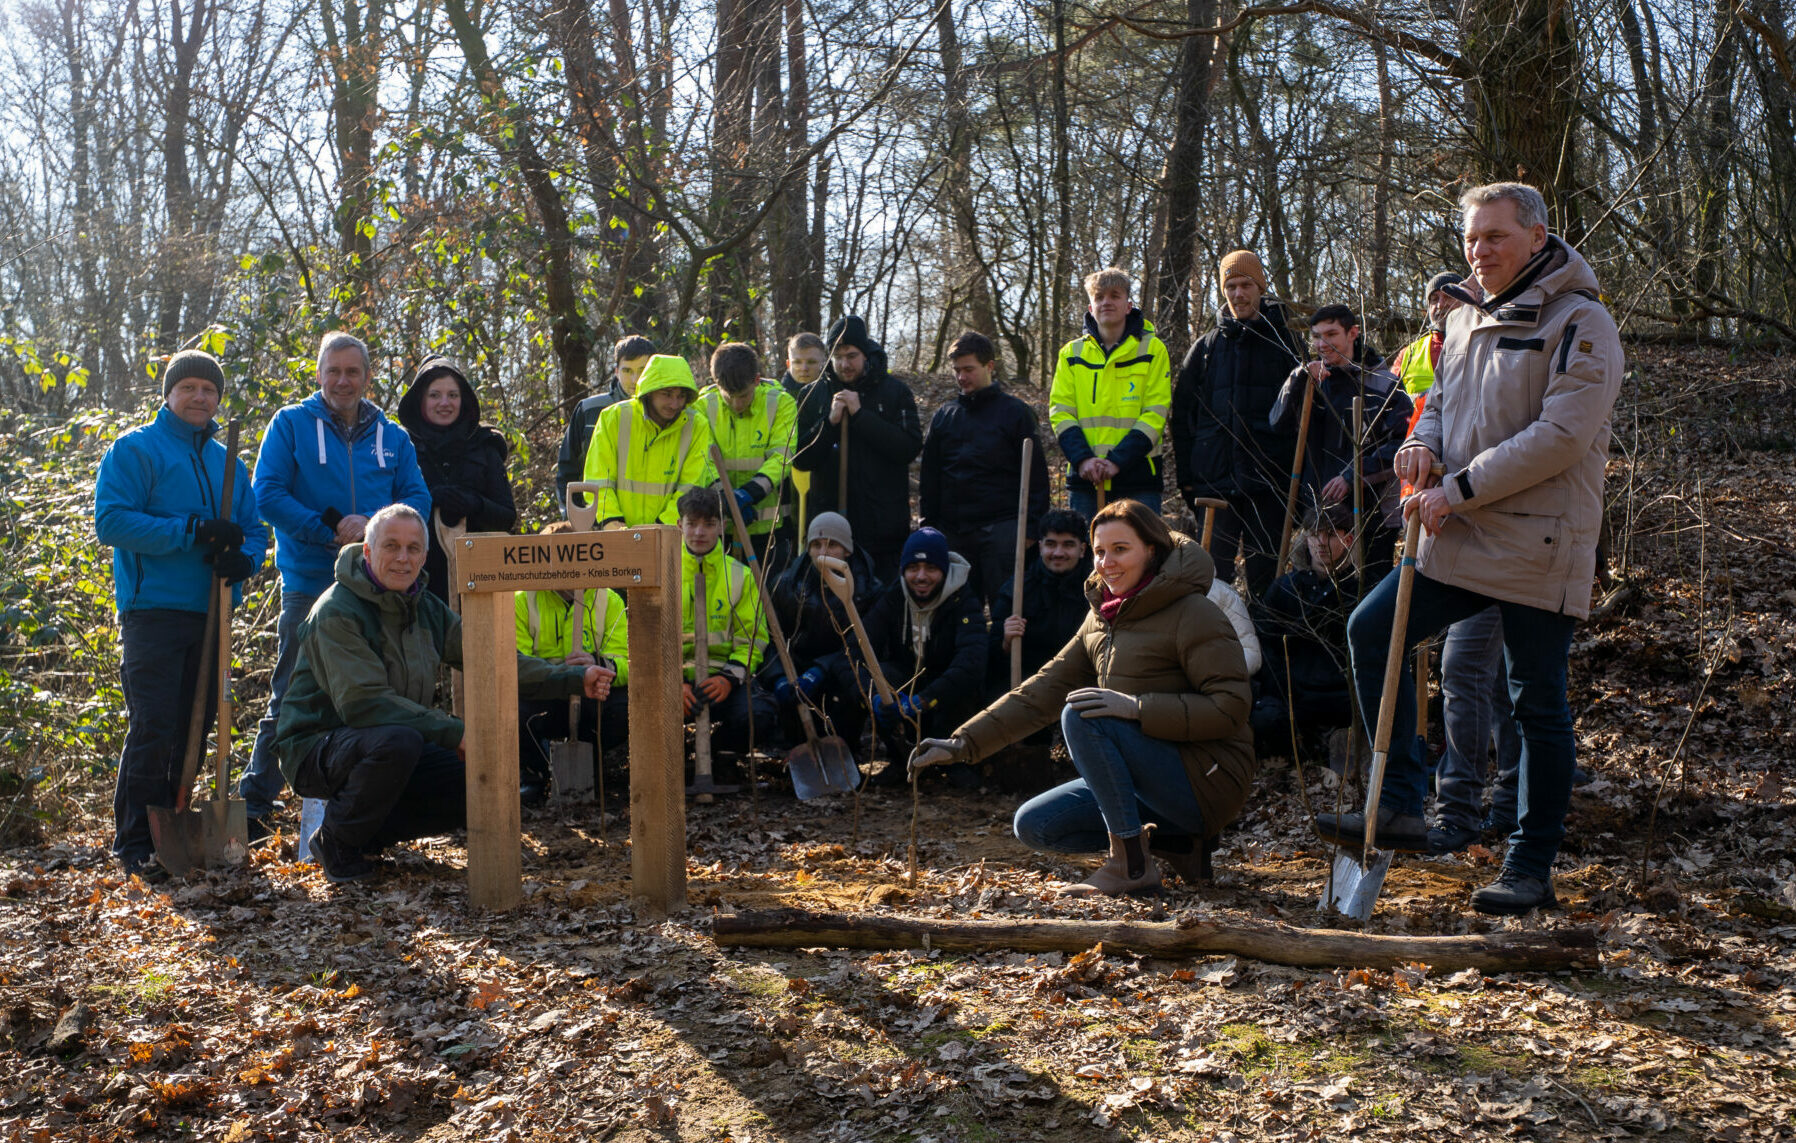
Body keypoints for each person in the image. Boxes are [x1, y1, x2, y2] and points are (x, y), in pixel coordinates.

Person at [1317, 181, 1625, 915]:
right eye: (1471, 238)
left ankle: (1529, 863)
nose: (1480, 251)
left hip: (1539, 537)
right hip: (1461, 529)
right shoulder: (1461, 320)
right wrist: (1419, 450)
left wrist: (1454, 489)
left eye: (1495, 237)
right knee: (1371, 632)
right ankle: (1395, 803)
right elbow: (1440, 408)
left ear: (1538, 236)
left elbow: (1559, 439)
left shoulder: (1583, 323)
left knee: (1534, 700)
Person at [912, 501, 1254, 894]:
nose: (1106, 562)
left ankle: (1130, 865)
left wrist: (1137, 709)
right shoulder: (1103, 615)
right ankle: (1177, 843)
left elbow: (1230, 708)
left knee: (1082, 712)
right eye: (1099, 551)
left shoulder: (1194, 612)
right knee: (1034, 824)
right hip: (1147, 774)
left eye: (1121, 549)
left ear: (1152, 551)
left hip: (1207, 779)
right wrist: (963, 743)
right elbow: (1044, 689)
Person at [274, 505, 612, 881]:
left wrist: (572, 678)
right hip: (316, 747)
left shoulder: (425, 607)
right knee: (397, 741)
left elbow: (490, 657)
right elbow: (363, 703)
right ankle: (337, 841)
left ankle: (367, 836)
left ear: (424, 555)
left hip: (391, 740)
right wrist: (454, 731)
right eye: (391, 546)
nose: (403, 558)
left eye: (413, 548)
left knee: (480, 777)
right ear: (367, 552)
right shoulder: (336, 611)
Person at [243, 331, 431, 835]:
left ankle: (374, 808)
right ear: (320, 374)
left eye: (353, 372)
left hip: (379, 587)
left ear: (368, 378)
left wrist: (377, 533)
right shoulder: (290, 425)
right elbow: (267, 493)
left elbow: (416, 498)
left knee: (381, 691)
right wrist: (329, 527)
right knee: (291, 691)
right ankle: (253, 806)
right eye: (334, 371)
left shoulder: (393, 437)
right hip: (309, 580)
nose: (343, 380)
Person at [95, 350, 268, 878]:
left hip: (213, 613)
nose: (199, 397)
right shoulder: (136, 450)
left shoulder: (229, 463)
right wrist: (190, 530)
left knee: (201, 728)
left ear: (219, 399)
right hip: (154, 612)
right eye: (189, 387)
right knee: (155, 725)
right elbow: (113, 523)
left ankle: (176, 829)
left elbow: (256, 532)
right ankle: (135, 843)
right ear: (168, 394)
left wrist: (245, 561)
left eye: (208, 390)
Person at [1170, 250, 1304, 599]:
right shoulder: (1205, 349)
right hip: (1215, 488)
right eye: (1231, 286)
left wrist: (1299, 488)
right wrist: (1189, 481)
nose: (1238, 294)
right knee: (1211, 587)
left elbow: (1306, 419)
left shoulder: (1287, 344)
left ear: (1260, 287)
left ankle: (1266, 653)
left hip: (1270, 489)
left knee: (1267, 586)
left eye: (1246, 284)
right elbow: (1183, 422)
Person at [1269, 305, 1412, 578]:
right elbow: (1277, 424)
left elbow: (1401, 444)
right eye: (1316, 336)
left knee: (1367, 593)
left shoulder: (1384, 384)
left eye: (1331, 334)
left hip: (1373, 514)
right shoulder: (1309, 381)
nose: (1322, 344)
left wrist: (1353, 476)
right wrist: (1299, 380)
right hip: (1317, 512)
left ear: (1353, 333)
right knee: (1318, 596)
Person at [842, 527, 987, 787]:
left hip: (944, 696)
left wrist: (924, 700)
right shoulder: (893, 597)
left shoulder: (963, 600)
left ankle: (955, 760)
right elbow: (856, 650)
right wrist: (872, 697)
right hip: (906, 688)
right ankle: (901, 758)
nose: (921, 576)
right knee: (882, 677)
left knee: (964, 687)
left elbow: (971, 664)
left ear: (943, 570)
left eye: (930, 568)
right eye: (913, 568)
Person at [919, 331, 1050, 608]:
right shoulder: (945, 416)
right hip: (954, 531)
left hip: (1003, 530)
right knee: (961, 613)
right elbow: (930, 478)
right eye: (956, 371)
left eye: (969, 369)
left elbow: (1037, 476)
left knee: (1007, 609)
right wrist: (929, 526)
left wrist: (1031, 529)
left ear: (989, 366)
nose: (961, 377)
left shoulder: (1016, 413)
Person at [791, 315, 923, 579]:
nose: (844, 364)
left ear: (866, 353)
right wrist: (829, 423)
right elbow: (801, 459)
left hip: (882, 527)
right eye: (837, 356)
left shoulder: (895, 392)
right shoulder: (812, 395)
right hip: (829, 529)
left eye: (851, 355)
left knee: (880, 607)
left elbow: (908, 447)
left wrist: (861, 416)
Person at [515, 521, 630, 804]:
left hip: (593, 694)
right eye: (555, 558)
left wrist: (597, 663)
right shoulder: (522, 600)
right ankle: (534, 774)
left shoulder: (608, 599)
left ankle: (592, 767)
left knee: (625, 708)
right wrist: (560, 675)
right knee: (511, 709)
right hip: (544, 694)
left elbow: (628, 663)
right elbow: (515, 664)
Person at [1049, 267, 1172, 522]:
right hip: (1085, 481)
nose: (1106, 301)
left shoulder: (1152, 350)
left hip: (1139, 478)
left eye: (1114, 295)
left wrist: (1117, 461)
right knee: (1088, 559)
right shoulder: (1071, 354)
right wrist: (1083, 460)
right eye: (1099, 296)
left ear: (1128, 305)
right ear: (1091, 307)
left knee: (1143, 557)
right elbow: (1061, 412)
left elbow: (1155, 413)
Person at [395, 356, 517, 605]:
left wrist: (475, 504)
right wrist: (429, 500)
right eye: (435, 395)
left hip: (479, 583)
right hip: (415, 583)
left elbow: (507, 516)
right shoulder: (401, 446)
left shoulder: (485, 446)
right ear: (421, 400)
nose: (444, 403)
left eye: (453, 395)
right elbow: (386, 513)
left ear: (464, 401)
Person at [760, 511, 880, 749]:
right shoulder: (785, 586)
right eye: (816, 545)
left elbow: (866, 645)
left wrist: (823, 669)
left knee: (853, 689)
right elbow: (771, 638)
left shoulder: (868, 591)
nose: (823, 552)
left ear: (847, 550)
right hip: (797, 671)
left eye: (832, 545)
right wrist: (778, 677)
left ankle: (847, 747)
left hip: (842, 671)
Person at [1249, 502, 1358, 754]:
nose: (1320, 543)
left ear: (1348, 539)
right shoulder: (1284, 588)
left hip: (1342, 698)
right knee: (1264, 718)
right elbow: (1266, 645)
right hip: (1293, 696)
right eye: (1314, 535)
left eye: (1330, 535)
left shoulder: (1359, 593)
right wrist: (1284, 691)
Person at [676, 487, 774, 762]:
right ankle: (676, 761)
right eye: (692, 523)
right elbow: (648, 639)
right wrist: (673, 683)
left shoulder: (739, 576)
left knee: (760, 715)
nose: (699, 532)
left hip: (722, 681)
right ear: (679, 525)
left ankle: (719, 755)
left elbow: (753, 639)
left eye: (708, 524)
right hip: (675, 683)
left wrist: (729, 678)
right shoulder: (663, 571)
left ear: (722, 526)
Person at [698, 342, 797, 571]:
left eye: (743, 396)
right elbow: (702, 460)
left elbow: (782, 457)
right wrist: (724, 498)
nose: (736, 403)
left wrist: (748, 494)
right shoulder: (702, 407)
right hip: (721, 528)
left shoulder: (781, 403)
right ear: (717, 384)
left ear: (756, 380)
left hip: (770, 530)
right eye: (729, 396)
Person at [583, 354, 714, 528]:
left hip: (671, 534)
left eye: (681, 396)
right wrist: (611, 521)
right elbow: (597, 480)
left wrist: (661, 528)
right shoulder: (613, 418)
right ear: (649, 391)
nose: (674, 404)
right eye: (666, 394)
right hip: (616, 533)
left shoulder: (697, 426)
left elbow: (690, 487)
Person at [988, 507, 1091, 699]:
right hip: (1028, 687)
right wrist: (1006, 641)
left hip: (1082, 685)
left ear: (1082, 549)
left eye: (1068, 545)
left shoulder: (1098, 590)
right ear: (1040, 546)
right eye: (1051, 544)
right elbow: (992, 656)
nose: (1058, 553)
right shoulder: (1017, 589)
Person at [556, 335, 655, 505]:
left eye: (642, 370)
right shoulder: (589, 410)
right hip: (593, 520)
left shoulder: (669, 412)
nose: (635, 379)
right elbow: (567, 470)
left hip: (651, 523)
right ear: (616, 371)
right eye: (627, 370)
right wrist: (574, 519)